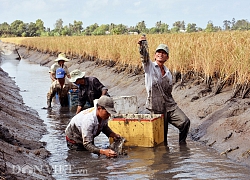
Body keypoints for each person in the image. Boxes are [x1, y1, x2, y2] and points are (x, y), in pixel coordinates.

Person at [138, 35, 190, 144]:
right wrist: (143, 45)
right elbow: (144, 57)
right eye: (158, 52)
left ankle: (182, 145)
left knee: (185, 122)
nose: (161, 54)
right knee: (162, 139)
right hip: (156, 107)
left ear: (167, 57)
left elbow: (168, 92)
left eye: (164, 53)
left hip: (170, 106)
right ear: (155, 55)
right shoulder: (149, 67)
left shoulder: (168, 73)